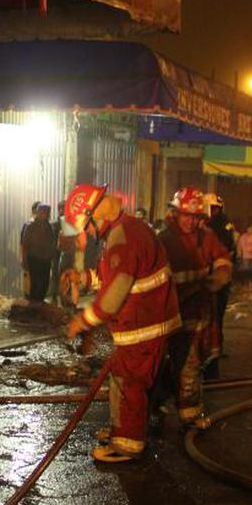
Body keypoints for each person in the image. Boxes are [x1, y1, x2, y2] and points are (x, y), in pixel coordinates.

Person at [63, 184, 181, 463]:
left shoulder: (123, 238)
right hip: (145, 320)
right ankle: (124, 431)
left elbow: (114, 295)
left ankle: (128, 443)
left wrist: (83, 320)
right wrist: (86, 279)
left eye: (86, 227)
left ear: (95, 216)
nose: (87, 233)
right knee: (124, 376)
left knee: (130, 381)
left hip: (145, 324)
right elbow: (116, 276)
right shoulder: (124, 230)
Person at [158, 186, 232, 429]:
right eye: (186, 215)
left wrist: (221, 274)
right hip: (168, 312)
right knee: (162, 363)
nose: (190, 221)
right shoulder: (164, 240)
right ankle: (156, 406)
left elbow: (222, 257)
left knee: (190, 363)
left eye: (195, 217)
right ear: (175, 214)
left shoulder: (205, 236)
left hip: (196, 310)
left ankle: (189, 413)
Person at [203, 194, 235, 378]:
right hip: (209, 281)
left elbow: (224, 248)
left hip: (215, 281)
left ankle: (213, 360)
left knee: (215, 318)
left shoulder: (219, 225)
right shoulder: (207, 226)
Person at [21, 202, 57, 302]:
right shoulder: (30, 226)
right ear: (38, 212)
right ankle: (34, 305)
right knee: (35, 283)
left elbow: (52, 241)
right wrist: (24, 260)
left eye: (46, 212)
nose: (44, 214)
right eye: (42, 212)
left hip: (46, 260)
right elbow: (24, 244)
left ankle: (40, 303)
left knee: (45, 282)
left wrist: (52, 255)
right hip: (34, 258)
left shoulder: (49, 227)